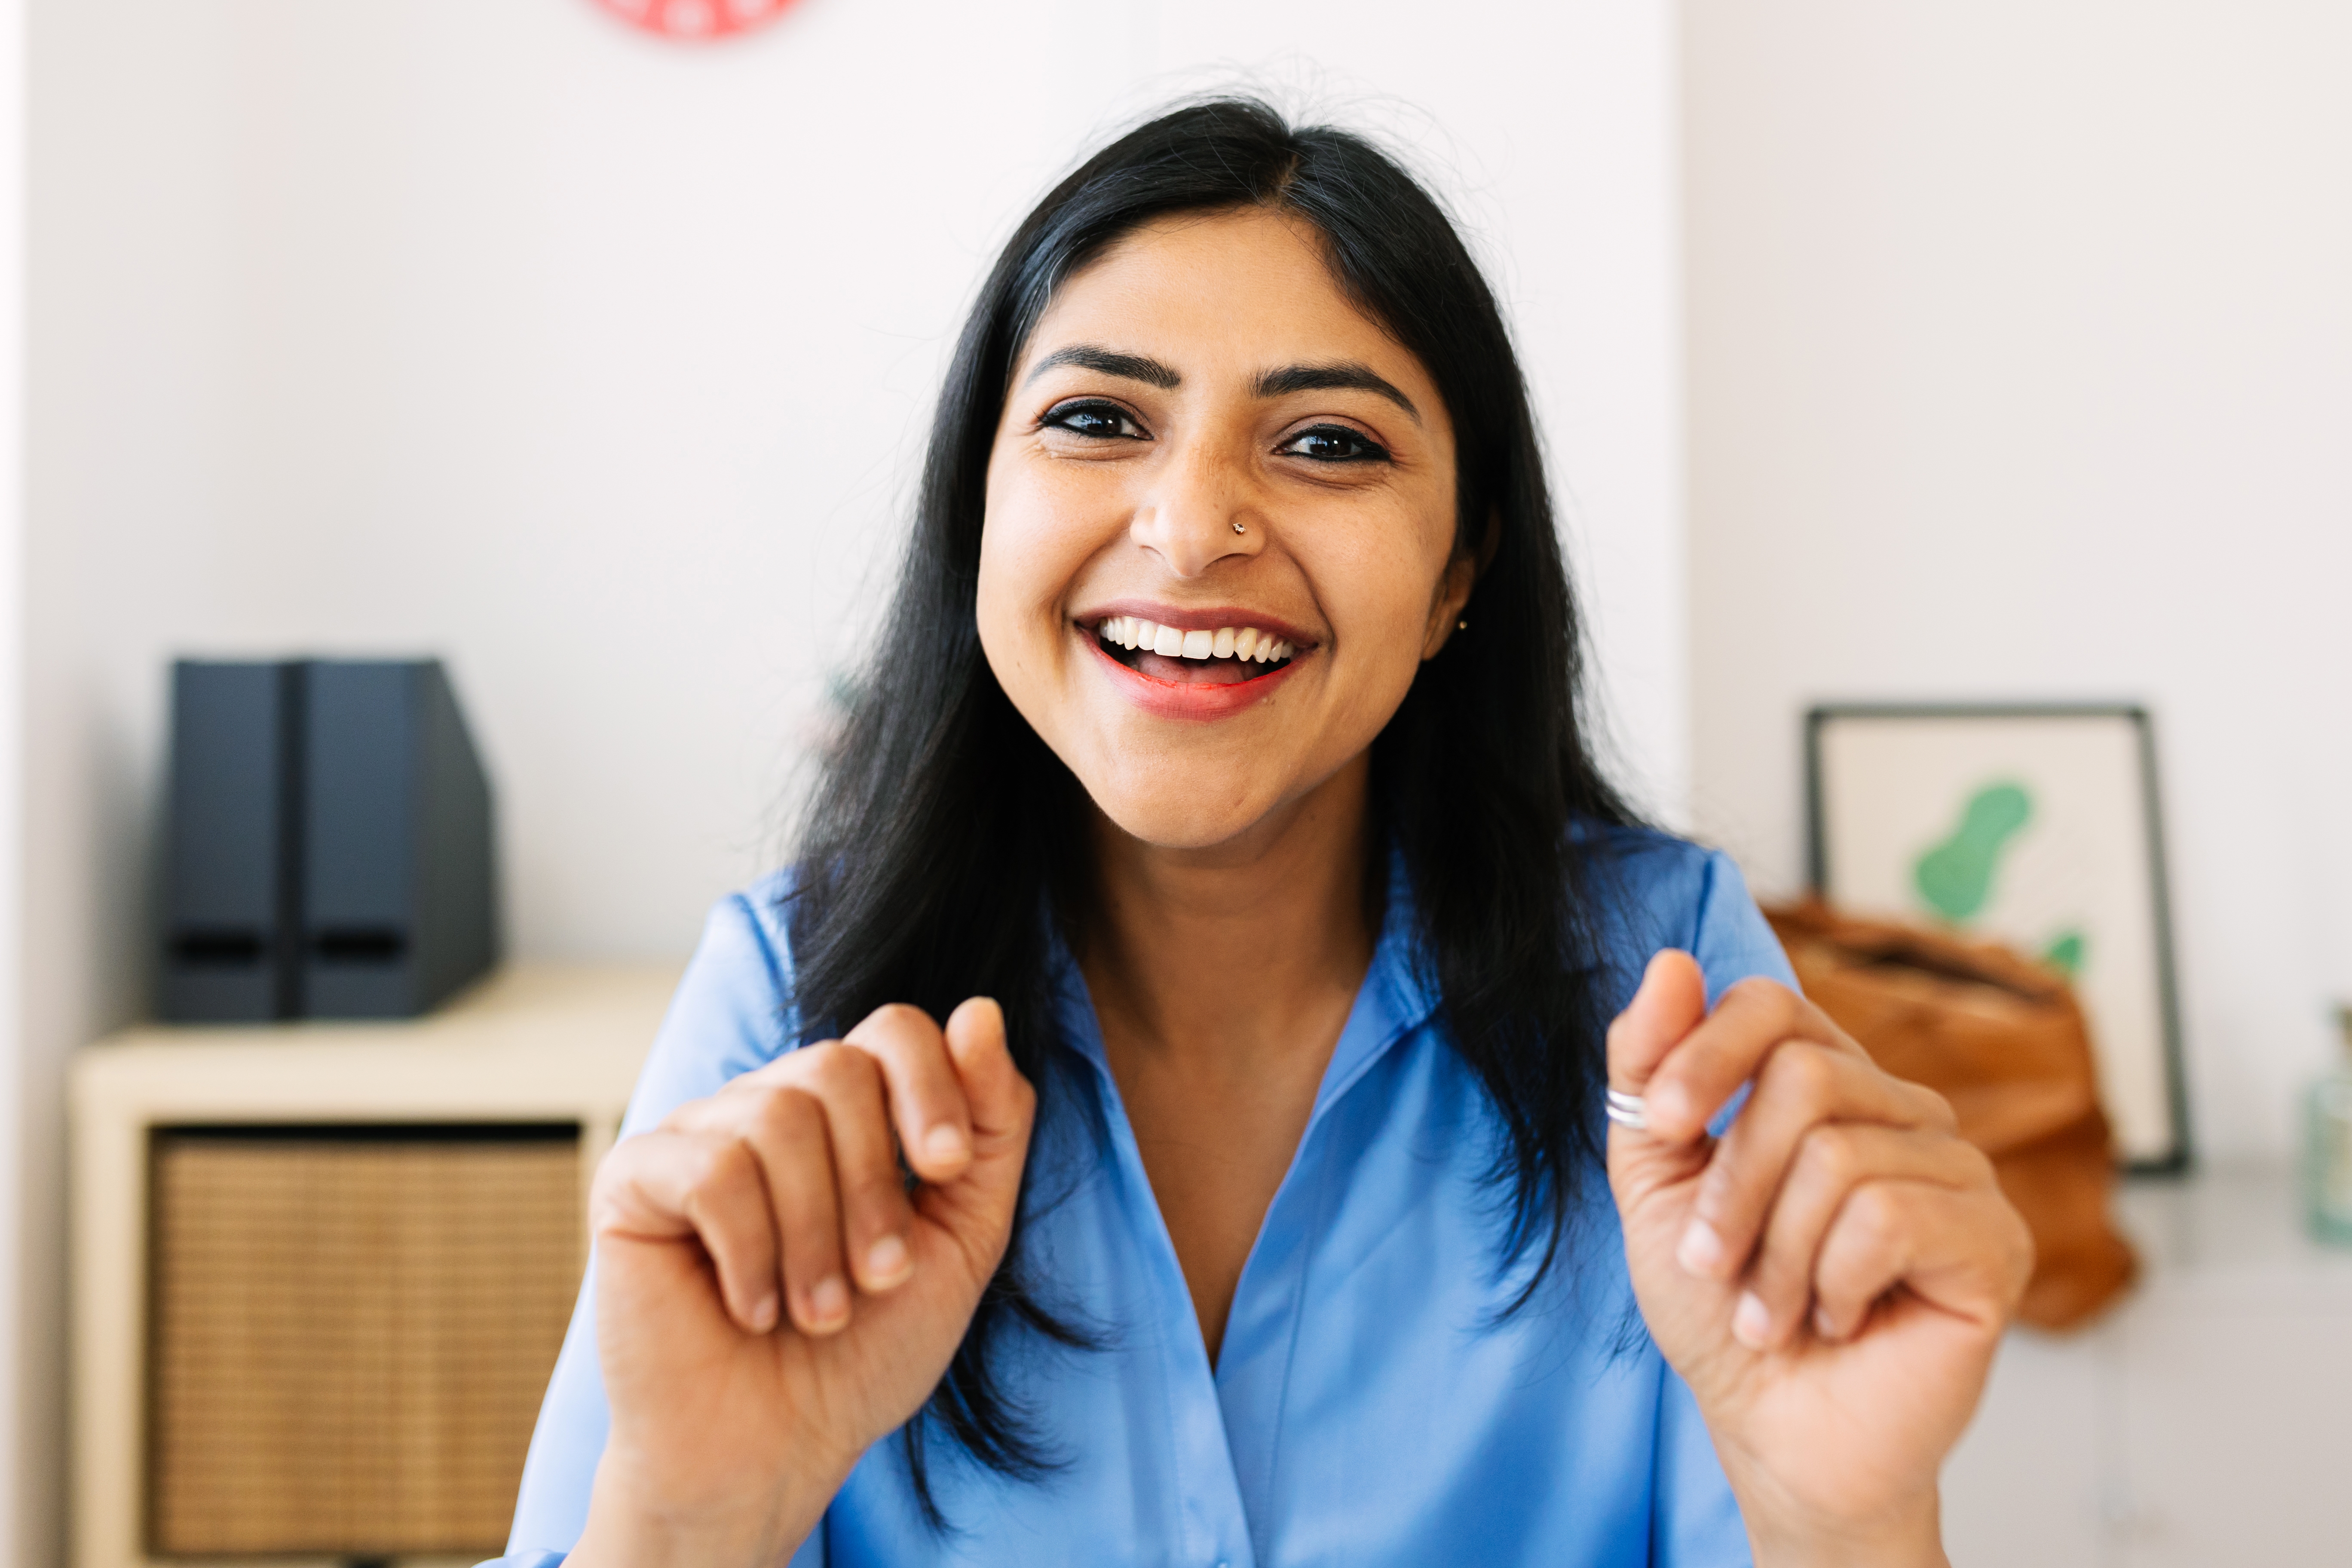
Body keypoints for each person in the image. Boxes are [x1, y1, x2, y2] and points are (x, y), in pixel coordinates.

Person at [487, 98, 2031, 1568]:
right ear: (978, 513)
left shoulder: (1665, 979)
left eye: (1328, 444)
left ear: (1455, 580)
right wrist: (689, 1521)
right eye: (1098, 419)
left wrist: (1846, 1528)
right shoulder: (786, 993)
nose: (1192, 524)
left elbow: (1820, 1485)